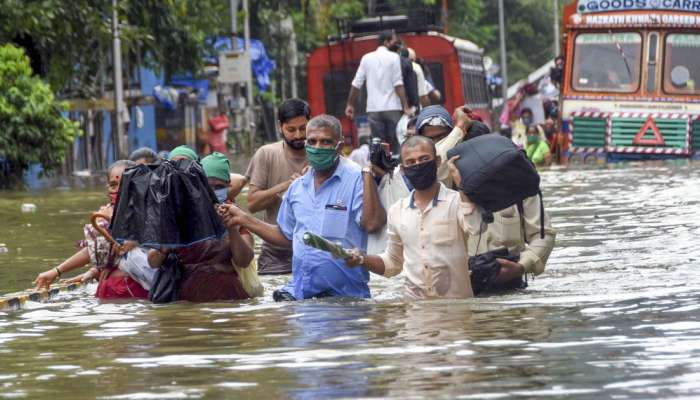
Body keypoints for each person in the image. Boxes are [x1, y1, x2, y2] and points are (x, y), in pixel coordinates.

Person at [219, 114, 386, 301]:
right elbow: (286, 236)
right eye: (312, 141)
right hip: (302, 297)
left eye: (325, 142)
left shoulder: (357, 178)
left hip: (346, 299)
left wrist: (368, 173)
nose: (317, 147)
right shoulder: (298, 187)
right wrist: (244, 219)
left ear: (339, 147)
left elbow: (372, 224)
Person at [344, 136, 478, 299]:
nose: (418, 165)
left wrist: (464, 187)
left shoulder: (457, 201)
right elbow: (393, 263)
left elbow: (476, 227)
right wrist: (362, 259)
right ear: (403, 169)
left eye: (424, 159)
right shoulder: (397, 211)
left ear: (437, 161)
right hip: (415, 315)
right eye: (411, 162)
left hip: (457, 314)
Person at [33, 160, 152, 300]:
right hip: (109, 294)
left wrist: (112, 220)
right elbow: (93, 250)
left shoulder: (149, 215)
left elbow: (133, 247)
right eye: (113, 185)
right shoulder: (105, 212)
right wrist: (57, 271)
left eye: (125, 184)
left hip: (132, 294)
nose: (118, 190)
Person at [244, 98, 310, 275]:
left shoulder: (320, 156)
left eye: (303, 128)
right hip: (275, 258)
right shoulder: (266, 154)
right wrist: (286, 185)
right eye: (291, 129)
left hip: (314, 255)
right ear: (280, 126)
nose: (297, 135)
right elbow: (252, 204)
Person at [345, 30, 412, 155]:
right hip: (393, 108)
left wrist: (350, 104)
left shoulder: (366, 58)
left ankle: (381, 171)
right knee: (396, 144)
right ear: (386, 42)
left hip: (374, 110)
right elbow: (398, 84)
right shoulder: (394, 57)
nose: (396, 43)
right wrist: (406, 106)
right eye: (393, 40)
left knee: (379, 146)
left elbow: (356, 83)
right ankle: (396, 171)